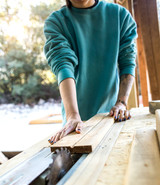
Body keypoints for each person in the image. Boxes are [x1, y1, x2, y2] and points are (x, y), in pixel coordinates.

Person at [44, 0, 137, 144]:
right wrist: (72, 115)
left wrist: (121, 103)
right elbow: (63, 66)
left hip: (111, 119)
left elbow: (128, 62)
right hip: (75, 123)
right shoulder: (56, 22)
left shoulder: (120, 15)